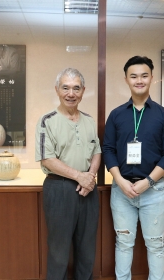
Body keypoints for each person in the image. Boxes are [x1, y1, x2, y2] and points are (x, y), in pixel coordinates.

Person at [102, 56, 164, 280]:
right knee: (123, 244)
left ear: (152, 78)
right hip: (121, 190)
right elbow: (108, 150)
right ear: (126, 79)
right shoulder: (116, 115)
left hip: (153, 192)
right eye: (134, 76)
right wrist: (120, 181)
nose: (139, 80)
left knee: (156, 246)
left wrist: (148, 182)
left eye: (144, 75)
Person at [35, 68, 101, 280]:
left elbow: (97, 151)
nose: (70, 93)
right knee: (59, 251)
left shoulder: (90, 121)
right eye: (65, 88)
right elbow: (47, 159)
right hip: (59, 189)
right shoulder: (47, 121)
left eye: (76, 88)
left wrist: (89, 177)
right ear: (57, 90)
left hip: (88, 189)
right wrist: (79, 176)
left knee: (87, 249)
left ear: (83, 91)